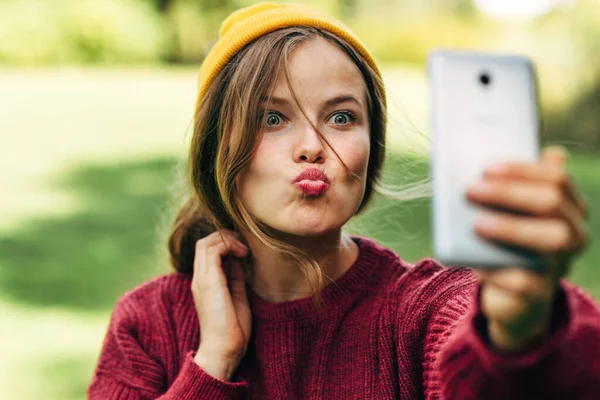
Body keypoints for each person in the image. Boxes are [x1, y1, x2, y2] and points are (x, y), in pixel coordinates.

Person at [88, 2, 600, 399]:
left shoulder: (424, 312)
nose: (313, 145)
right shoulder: (149, 323)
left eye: (340, 117)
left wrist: (521, 325)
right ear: (218, 148)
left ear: (370, 149)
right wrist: (213, 362)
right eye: (272, 117)